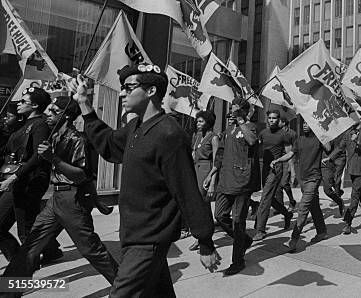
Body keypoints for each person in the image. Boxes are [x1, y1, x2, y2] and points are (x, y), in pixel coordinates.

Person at [70, 65, 220, 297]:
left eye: (129, 88)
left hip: (149, 239)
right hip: (131, 233)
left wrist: (205, 241)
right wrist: (84, 103)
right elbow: (108, 144)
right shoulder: (135, 127)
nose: (122, 93)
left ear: (151, 91)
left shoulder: (169, 134)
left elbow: (186, 191)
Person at [2, 96, 118, 287]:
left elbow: (81, 176)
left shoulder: (77, 139)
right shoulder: (54, 137)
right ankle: (8, 290)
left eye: (52, 110)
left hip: (72, 200)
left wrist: (52, 159)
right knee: (30, 247)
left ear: (64, 116)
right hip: (56, 199)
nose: (47, 114)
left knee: (90, 249)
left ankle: (127, 287)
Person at [0, 87, 62, 263]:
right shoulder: (25, 124)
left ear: (34, 105)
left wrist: (14, 177)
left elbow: (38, 156)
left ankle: (21, 271)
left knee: (26, 230)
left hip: (28, 182)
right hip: (16, 182)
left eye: (23, 101)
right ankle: (42, 253)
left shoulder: (40, 125)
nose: (18, 104)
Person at [207, 97, 259, 275]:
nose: (232, 112)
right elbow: (219, 156)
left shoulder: (250, 127)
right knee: (220, 216)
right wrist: (212, 175)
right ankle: (244, 240)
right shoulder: (227, 131)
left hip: (242, 181)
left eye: (236, 110)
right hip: (225, 180)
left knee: (238, 222)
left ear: (244, 111)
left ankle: (238, 261)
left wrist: (242, 121)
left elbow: (252, 141)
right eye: (232, 109)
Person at [286, 120, 332, 253]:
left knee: (303, 207)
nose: (305, 125)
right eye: (304, 123)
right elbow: (291, 154)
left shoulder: (319, 139)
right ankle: (322, 232)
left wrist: (320, 130)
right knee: (314, 205)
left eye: (308, 123)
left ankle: (294, 239)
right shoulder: (299, 140)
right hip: (303, 178)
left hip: (314, 177)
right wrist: (278, 160)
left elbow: (328, 148)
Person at [252, 109, 294, 241]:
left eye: (274, 118)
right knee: (269, 197)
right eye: (269, 118)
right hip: (263, 168)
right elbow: (255, 146)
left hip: (276, 168)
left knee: (264, 198)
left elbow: (289, 153)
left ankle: (260, 230)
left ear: (279, 120)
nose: (271, 120)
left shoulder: (284, 135)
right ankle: (286, 214)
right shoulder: (263, 133)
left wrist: (291, 170)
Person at [188, 110, 220, 251]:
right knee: (197, 205)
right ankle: (201, 236)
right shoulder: (197, 136)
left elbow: (216, 161)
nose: (198, 123)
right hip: (195, 170)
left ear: (208, 122)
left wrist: (212, 183)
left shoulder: (214, 138)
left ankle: (204, 238)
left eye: (201, 121)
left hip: (206, 171)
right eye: (197, 121)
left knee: (203, 205)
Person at [278, 115, 298, 203]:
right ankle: (280, 205)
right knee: (278, 184)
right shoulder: (277, 133)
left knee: (284, 183)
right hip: (279, 159)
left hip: (288, 159)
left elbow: (295, 148)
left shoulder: (292, 134)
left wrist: (292, 164)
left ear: (283, 123)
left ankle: (291, 200)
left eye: (278, 121)